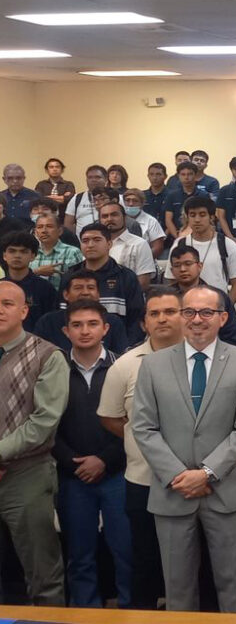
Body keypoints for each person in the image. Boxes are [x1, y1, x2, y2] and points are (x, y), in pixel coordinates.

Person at [131, 285, 236, 612]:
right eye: (188, 312)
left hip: (224, 491)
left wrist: (206, 473)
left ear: (222, 317)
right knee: (177, 588)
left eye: (206, 312)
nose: (196, 319)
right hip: (172, 491)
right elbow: (143, 427)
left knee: (231, 583)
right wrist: (180, 476)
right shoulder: (153, 365)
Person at [97, 286, 183, 609]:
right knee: (144, 562)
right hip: (144, 480)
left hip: (195, 481)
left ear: (185, 317)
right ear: (144, 322)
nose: (162, 319)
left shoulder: (205, 360)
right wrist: (142, 439)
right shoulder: (126, 366)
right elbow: (109, 417)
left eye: (170, 312)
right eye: (154, 313)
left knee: (193, 565)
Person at [53, 299, 132, 607]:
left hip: (118, 472)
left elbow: (134, 424)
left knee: (125, 550)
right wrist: (72, 462)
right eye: (77, 325)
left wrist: (105, 459)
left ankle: (129, 610)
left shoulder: (123, 367)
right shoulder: (54, 368)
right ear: (65, 330)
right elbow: (48, 424)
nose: (85, 331)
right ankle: (86, 611)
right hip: (72, 474)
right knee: (79, 553)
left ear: (106, 328)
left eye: (92, 324)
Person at [0, 282, 68, 608]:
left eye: (7, 303)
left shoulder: (47, 355)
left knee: (42, 573)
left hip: (26, 473)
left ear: (24, 311)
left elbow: (44, 422)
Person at [168, 196, 236, 304]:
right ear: (187, 217)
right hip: (186, 308)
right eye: (192, 215)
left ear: (211, 217)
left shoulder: (227, 244)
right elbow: (172, 278)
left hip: (217, 308)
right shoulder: (179, 243)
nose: (197, 220)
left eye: (202, 215)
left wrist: (223, 308)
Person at [73, 223, 144, 342]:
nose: (90, 245)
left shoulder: (126, 276)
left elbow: (136, 319)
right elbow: (62, 316)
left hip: (119, 350)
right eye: (85, 241)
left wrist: (127, 349)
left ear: (109, 244)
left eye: (96, 240)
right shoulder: (70, 276)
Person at [167, 245, 236, 346]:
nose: (183, 269)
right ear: (172, 271)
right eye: (177, 265)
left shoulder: (218, 297)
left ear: (200, 266)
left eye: (188, 264)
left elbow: (231, 335)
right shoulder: (166, 298)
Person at [2, 231, 59, 329]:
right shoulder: (1, 286)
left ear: (33, 256)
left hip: (38, 342)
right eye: (12, 251)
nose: (17, 255)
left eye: (23, 251)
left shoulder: (45, 288)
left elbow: (51, 322)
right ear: (4, 256)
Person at [99, 202, 156, 289]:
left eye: (114, 215)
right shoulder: (95, 245)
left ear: (125, 218)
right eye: (105, 216)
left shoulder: (139, 244)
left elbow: (143, 283)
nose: (109, 219)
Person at [31, 211, 83, 290]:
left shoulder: (72, 252)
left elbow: (79, 281)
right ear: (35, 232)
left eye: (49, 226)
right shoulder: (30, 253)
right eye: (40, 227)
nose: (44, 230)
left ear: (60, 231)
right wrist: (37, 272)